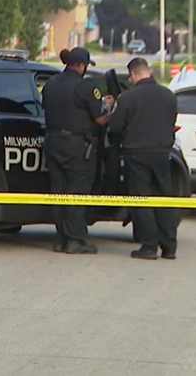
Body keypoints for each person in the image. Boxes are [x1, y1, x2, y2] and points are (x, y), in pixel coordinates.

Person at [42, 47, 114, 254]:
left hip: (52, 143)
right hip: (76, 147)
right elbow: (100, 119)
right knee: (77, 192)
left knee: (58, 192)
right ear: (82, 65)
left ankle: (60, 239)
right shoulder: (85, 86)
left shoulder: (50, 84)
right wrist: (110, 108)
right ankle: (75, 239)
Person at [108, 57, 179, 260]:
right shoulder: (168, 95)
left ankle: (149, 246)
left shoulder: (127, 97)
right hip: (163, 153)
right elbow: (172, 121)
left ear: (133, 74)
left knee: (141, 199)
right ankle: (169, 247)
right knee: (165, 199)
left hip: (136, 154)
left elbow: (115, 127)